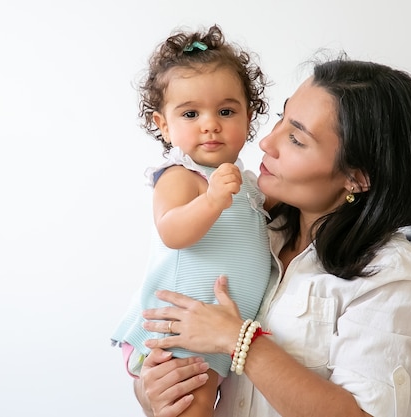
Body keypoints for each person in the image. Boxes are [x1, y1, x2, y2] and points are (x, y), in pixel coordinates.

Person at [133, 54, 411, 417]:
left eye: (296, 139)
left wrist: (239, 340)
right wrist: (152, 391)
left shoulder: (393, 279)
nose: (267, 142)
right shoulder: (254, 229)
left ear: (357, 178)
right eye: (282, 118)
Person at [110, 24, 272, 417]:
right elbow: (172, 230)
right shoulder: (181, 176)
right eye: (190, 113)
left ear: (249, 118)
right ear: (163, 125)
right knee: (191, 406)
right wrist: (213, 199)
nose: (210, 124)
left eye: (226, 111)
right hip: (181, 327)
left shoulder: (249, 185)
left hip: (218, 331)